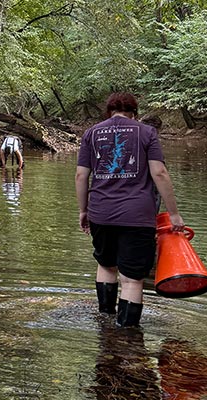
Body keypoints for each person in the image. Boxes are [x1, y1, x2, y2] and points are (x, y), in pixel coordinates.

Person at [75, 92, 185, 327]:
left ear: (109, 112)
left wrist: (83, 211)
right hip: (138, 215)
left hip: (100, 212)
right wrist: (174, 213)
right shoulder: (147, 132)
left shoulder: (91, 133)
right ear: (134, 113)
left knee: (106, 265)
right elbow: (159, 173)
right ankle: (127, 336)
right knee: (133, 280)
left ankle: (105, 321)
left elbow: (81, 175)